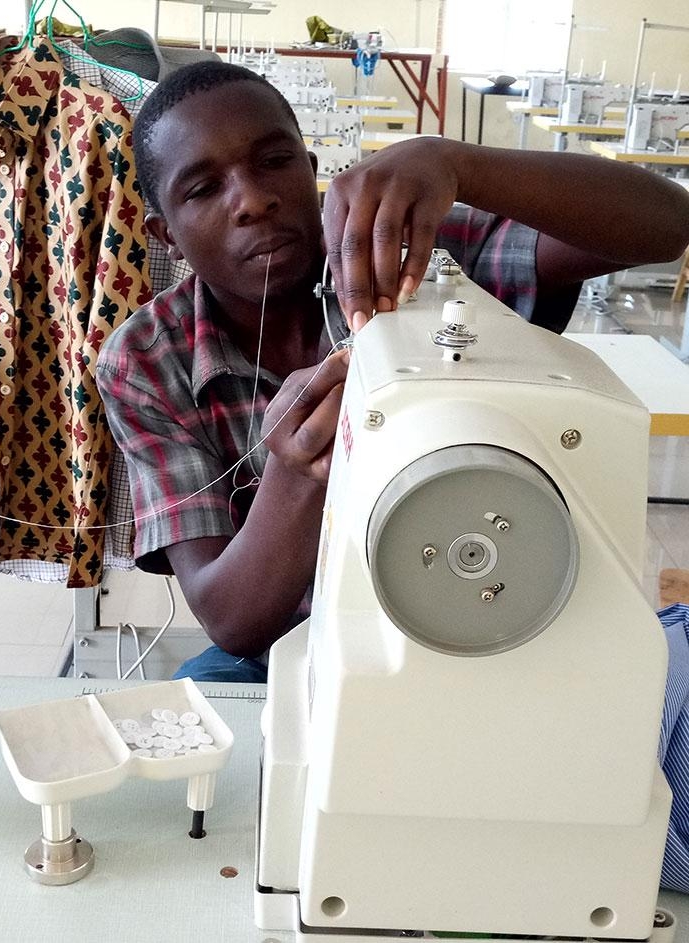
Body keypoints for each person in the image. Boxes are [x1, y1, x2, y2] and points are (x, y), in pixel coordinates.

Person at [95, 61, 689, 684]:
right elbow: (233, 619)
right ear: (165, 235)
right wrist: (295, 477)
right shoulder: (145, 361)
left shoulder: (415, 253)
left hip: (479, 610)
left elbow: (666, 226)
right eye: (203, 189)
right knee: (213, 723)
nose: (252, 199)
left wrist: (458, 164)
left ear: (309, 164)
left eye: (274, 161)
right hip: (292, 646)